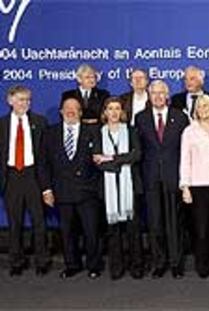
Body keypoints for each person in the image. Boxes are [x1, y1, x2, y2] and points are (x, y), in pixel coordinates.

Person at [39, 97, 102, 279]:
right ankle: (72, 265)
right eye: (67, 108)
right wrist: (46, 190)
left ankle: (93, 265)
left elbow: (99, 160)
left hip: (87, 191)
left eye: (75, 108)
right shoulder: (50, 133)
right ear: (61, 112)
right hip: (62, 191)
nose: (71, 111)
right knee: (67, 232)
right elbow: (43, 164)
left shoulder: (93, 131)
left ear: (81, 112)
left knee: (91, 231)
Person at [135, 80, 189, 279]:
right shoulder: (140, 118)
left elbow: (186, 150)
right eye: (154, 93)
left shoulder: (180, 117)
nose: (157, 96)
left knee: (174, 223)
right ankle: (159, 262)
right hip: (150, 178)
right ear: (149, 96)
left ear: (167, 95)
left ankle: (176, 263)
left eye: (161, 93)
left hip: (173, 177)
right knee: (155, 223)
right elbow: (138, 149)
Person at [92, 97, 145, 280]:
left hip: (130, 186)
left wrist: (111, 158)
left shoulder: (131, 131)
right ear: (104, 112)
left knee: (133, 230)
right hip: (107, 188)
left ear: (122, 112)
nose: (113, 112)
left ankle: (136, 266)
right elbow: (97, 161)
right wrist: (120, 160)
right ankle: (116, 266)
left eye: (117, 109)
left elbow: (136, 154)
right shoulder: (97, 132)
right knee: (112, 231)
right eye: (110, 109)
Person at [0, 85, 49, 277]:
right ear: (10, 100)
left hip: (33, 176)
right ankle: (16, 261)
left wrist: (46, 185)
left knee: (39, 222)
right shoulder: (2, 124)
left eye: (28, 100)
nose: (25, 103)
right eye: (21, 99)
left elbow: (45, 157)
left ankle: (42, 261)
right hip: (12, 177)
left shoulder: (40, 122)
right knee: (15, 222)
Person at [179, 94, 209, 279]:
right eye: (200, 107)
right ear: (195, 110)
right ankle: (202, 264)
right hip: (197, 186)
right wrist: (185, 186)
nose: (203, 109)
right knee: (201, 228)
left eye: (207, 106)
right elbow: (184, 160)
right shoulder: (189, 131)